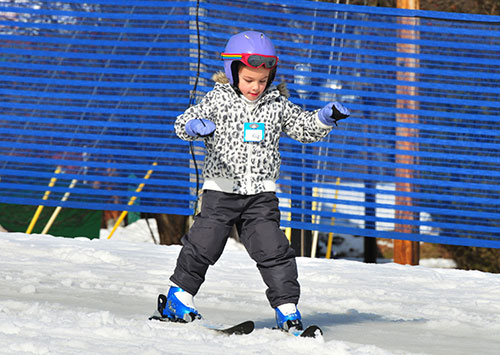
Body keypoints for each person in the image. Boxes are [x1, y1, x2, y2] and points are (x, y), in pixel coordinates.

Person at [151, 30, 350, 333]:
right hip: (221, 189)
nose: (256, 86)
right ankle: (179, 298)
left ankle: (287, 311)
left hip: (260, 195)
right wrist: (194, 126)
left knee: (275, 251)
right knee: (203, 245)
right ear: (233, 72)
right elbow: (182, 122)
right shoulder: (217, 99)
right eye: (249, 80)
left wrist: (323, 118)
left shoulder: (277, 104)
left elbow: (303, 128)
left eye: (262, 80)